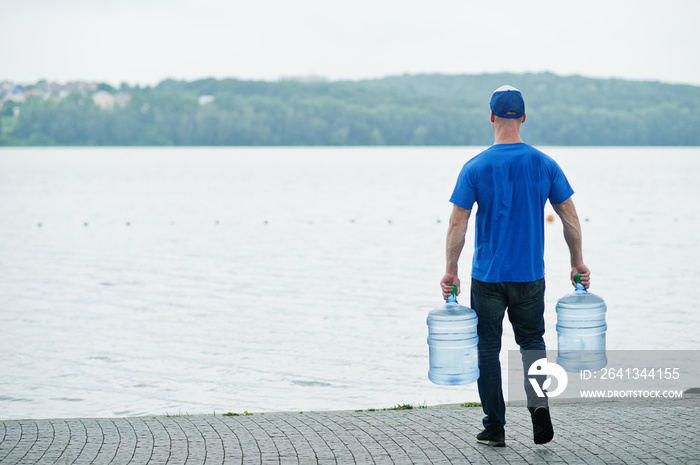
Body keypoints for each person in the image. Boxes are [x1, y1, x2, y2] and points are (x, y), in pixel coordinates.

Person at [439, 85, 590, 447]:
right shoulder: (544, 164)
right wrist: (577, 262)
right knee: (532, 343)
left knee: (488, 350)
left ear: (491, 117)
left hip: (487, 277)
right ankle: (539, 405)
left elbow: (457, 224)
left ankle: (494, 427)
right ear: (522, 117)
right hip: (529, 276)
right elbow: (568, 216)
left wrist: (451, 270)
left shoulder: (474, 166)